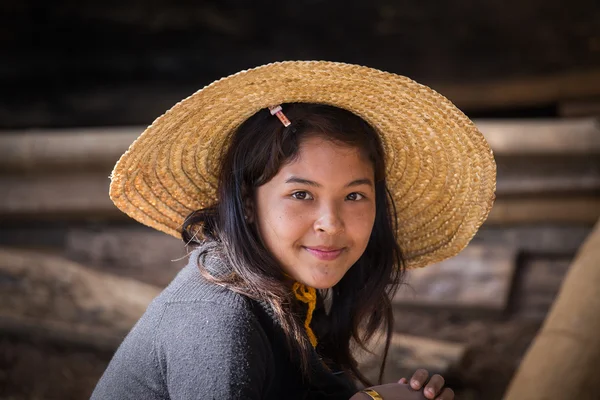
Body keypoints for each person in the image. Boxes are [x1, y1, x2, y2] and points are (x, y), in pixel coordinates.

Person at [92, 61, 496, 399]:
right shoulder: (216, 320)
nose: (331, 223)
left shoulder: (294, 298)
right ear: (248, 204)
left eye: (354, 196)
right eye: (302, 194)